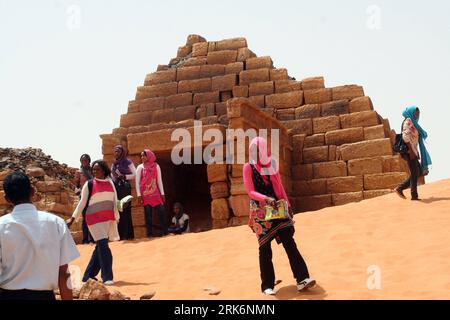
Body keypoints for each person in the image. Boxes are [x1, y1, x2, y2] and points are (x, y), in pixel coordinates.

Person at [243, 137, 315, 296]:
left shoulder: (271, 166)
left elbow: (280, 189)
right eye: (252, 149)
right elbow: (250, 191)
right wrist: (265, 198)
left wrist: (288, 206)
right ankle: (267, 286)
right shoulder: (248, 167)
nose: (254, 152)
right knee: (265, 249)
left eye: (257, 149)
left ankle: (302, 279)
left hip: (277, 208)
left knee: (290, 243)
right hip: (261, 213)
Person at [0, 172, 80, 300]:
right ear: (32, 191)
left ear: (7, 198)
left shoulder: (1, 226)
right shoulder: (56, 223)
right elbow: (64, 274)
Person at [67, 160, 120, 286]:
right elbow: (82, 203)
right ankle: (107, 277)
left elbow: (114, 200)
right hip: (93, 219)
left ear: (104, 170)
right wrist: (72, 218)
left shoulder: (110, 183)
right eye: (94, 170)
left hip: (107, 219)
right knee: (103, 247)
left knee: (100, 248)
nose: (95, 172)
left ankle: (88, 276)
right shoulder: (89, 184)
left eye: (98, 169)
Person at [395, 106, 432, 201]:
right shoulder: (408, 121)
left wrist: (416, 152)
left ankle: (400, 188)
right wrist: (411, 151)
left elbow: (414, 139)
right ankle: (413, 195)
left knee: (418, 172)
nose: (417, 115)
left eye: (418, 114)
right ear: (411, 113)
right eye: (415, 113)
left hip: (413, 151)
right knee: (415, 172)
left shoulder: (414, 123)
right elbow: (405, 137)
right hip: (408, 151)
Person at [135, 149, 168, 237]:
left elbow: (159, 181)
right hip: (145, 194)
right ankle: (150, 234)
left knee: (161, 211)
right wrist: (139, 195)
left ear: (149, 156)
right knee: (148, 215)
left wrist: (162, 194)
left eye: (144, 155)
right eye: (141, 156)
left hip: (155, 193)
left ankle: (165, 232)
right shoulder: (139, 167)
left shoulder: (156, 166)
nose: (142, 157)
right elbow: (137, 182)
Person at [111, 145, 136, 240]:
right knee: (119, 211)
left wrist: (124, 176)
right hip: (117, 188)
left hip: (125, 188)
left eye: (118, 151)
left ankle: (128, 234)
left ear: (122, 152)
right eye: (115, 151)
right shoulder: (114, 163)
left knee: (126, 210)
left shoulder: (127, 162)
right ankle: (120, 235)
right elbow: (111, 175)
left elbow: (135, 174)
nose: (116, 153)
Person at [74, 153, 94, 244]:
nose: (84, 162)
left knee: (93, 216)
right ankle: (86, 239)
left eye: (85, 160)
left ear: (89, 161)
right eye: (82, 160)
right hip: (83, 196)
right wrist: (77, 190)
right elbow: (76, 185)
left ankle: (93, 238)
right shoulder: (79, 172)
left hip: (93, 195)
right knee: (85, 217)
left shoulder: (93, 170)